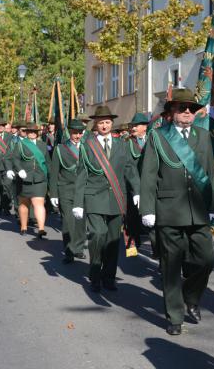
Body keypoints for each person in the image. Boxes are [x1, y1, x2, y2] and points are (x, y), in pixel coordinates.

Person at [139, 88, 214, 336]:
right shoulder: (158, 136)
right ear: (172, 111)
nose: (187, 112)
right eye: (182, 108)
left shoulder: (203, 136)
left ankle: (191, 296)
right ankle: (174, 315)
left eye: (191, 109)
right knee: (171, 266)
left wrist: (213, 206)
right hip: (169, 209)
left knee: (206, 259)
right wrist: (148, 208)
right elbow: (149, 174)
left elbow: (208, 172)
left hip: (197, 210)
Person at [72, 105, 140, 292]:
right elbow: (81, 174)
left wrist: (138, 191)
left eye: (107, 122)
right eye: (101, 122)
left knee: (112, 240)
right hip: (94, 197)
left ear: (112, 123)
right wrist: (78, 203)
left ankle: (109, 277)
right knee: (98, 235)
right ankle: (95, 274)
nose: (104, 125)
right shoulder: (88, 145)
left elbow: (129, 169)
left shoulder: (122, 144)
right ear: (96, 124)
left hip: (117, 198)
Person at [50, 119, 87, 263]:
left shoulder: (87, 147)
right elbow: (54, 173)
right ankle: (69, 251)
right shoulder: (60, 149)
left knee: (80, 221)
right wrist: (53, 193)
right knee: (68, 221)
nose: (77, 136)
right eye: (74, 133)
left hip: (83, 190)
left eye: (80, 133)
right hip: (66, 189)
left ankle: (78, 248)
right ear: (69, 132)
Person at [8, 120, 53, 238]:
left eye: (34, 132)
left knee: (39, 203)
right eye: (30, 131)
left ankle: (41, 228)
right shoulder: (20, 144)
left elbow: (47, 162)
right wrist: (19, 169)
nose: (32, 133)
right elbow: (15, 159)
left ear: (37, 133)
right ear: (27, 132)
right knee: (24, 203)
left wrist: (51, 175)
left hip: (39, 178)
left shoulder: (42, 145)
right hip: (25, 178)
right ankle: (24, 226)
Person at [125, 112, 149, 252]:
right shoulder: (128, 143)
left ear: (145, 127)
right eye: (132, 125)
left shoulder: (152, 139)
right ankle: (132, 246)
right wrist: (135, 190)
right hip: (132, 185)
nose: (133, 128)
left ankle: (157, 250)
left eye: (136, 125)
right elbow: (129, 168)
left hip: (150, 184)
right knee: (131, 217)